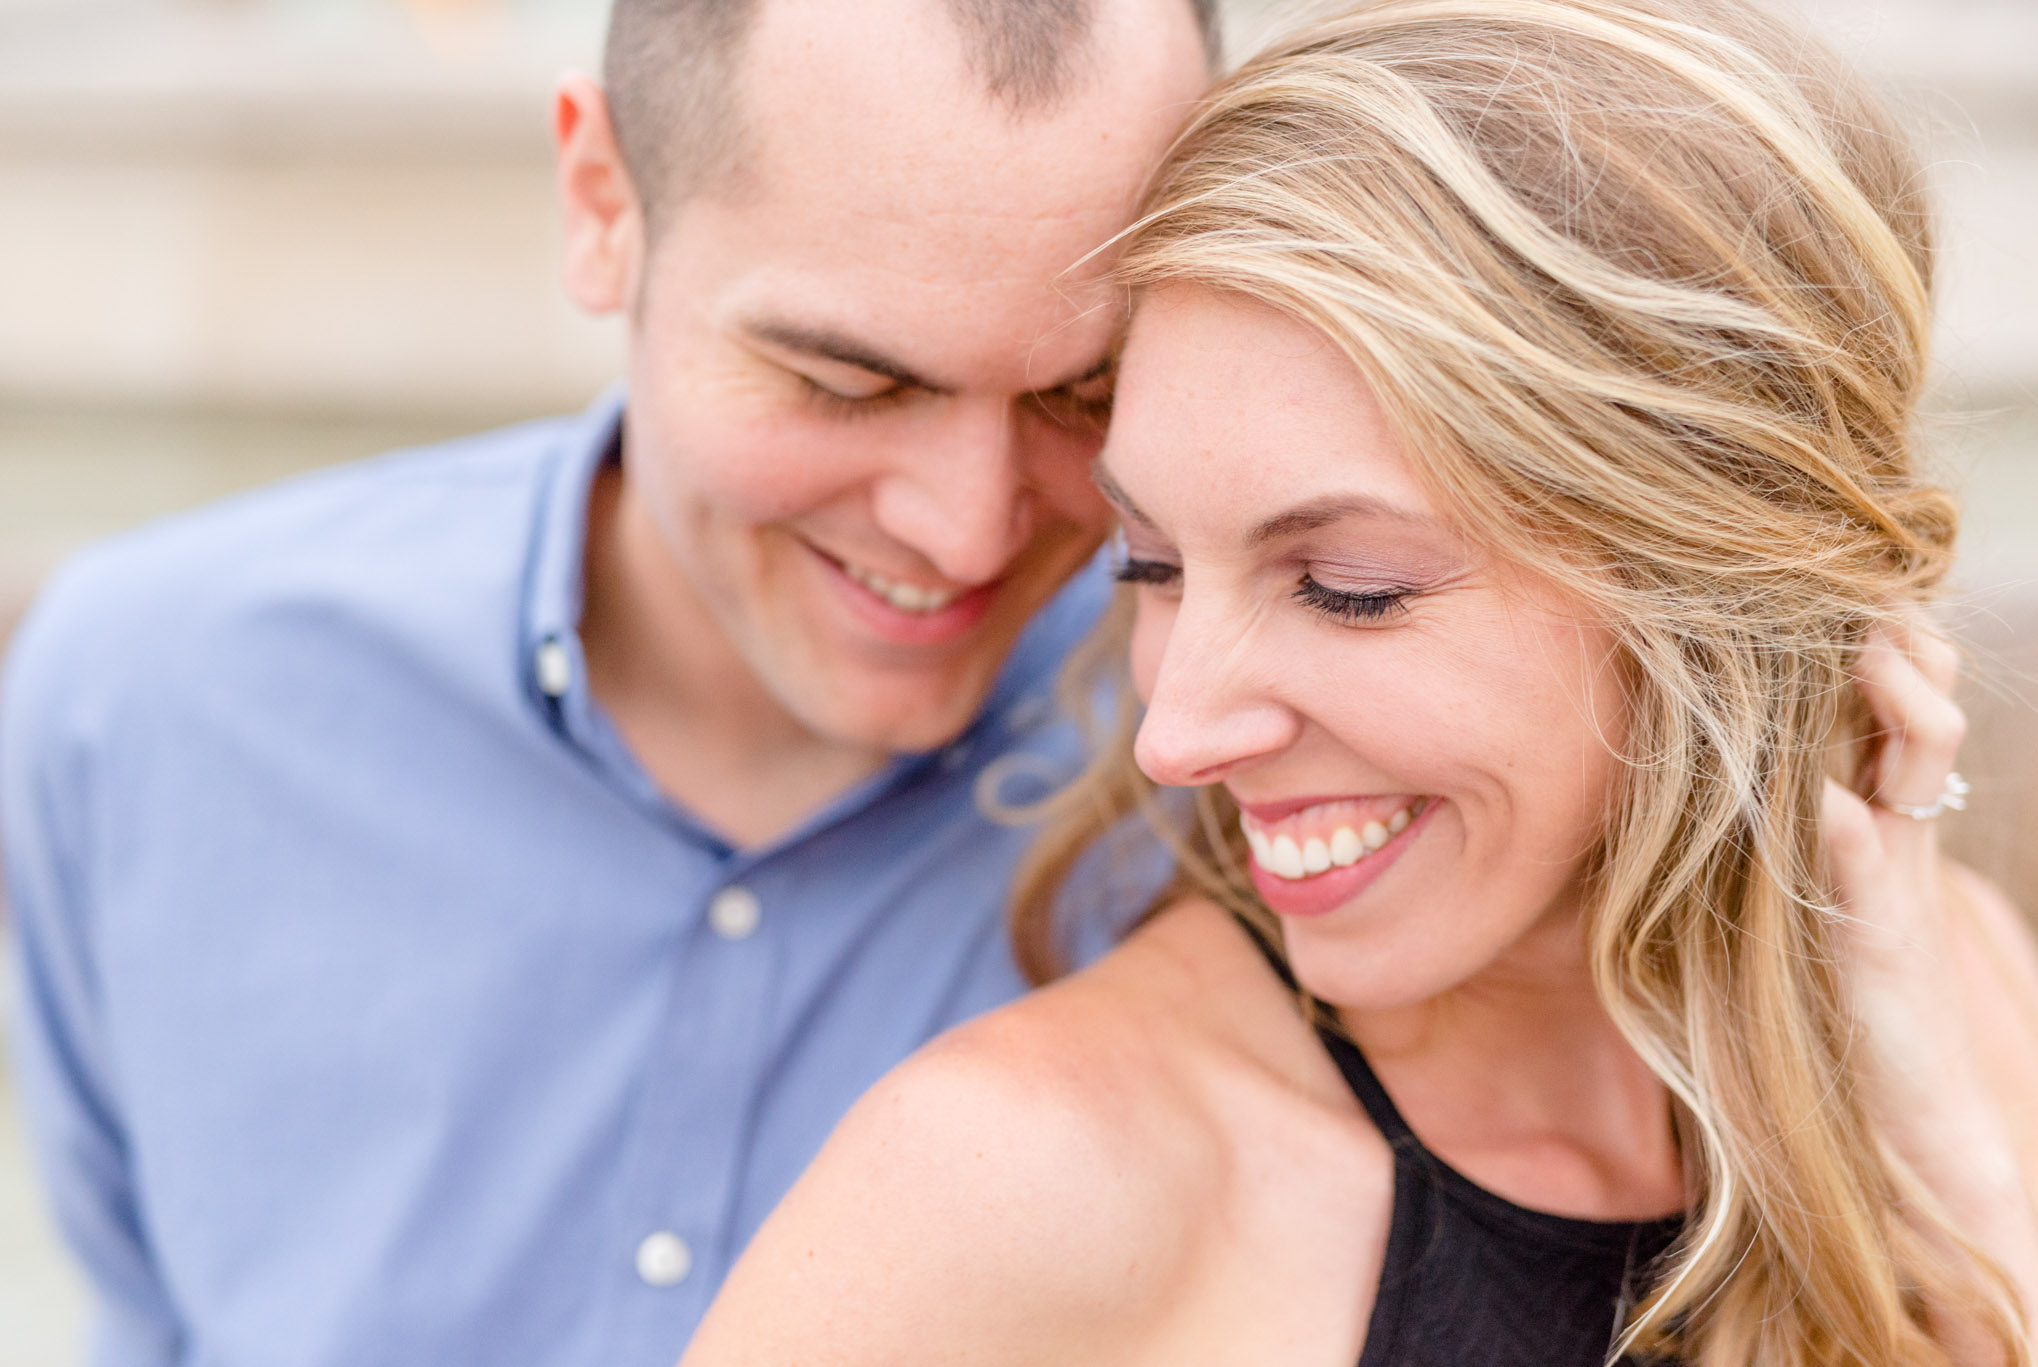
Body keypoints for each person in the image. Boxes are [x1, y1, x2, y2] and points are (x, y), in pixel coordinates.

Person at [677, 1, 2038, 1363]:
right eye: (1147, 563)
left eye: (1349, 588)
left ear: (1708, 588)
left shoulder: (1953, 987)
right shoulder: (1022, 1184)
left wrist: (1963, 1178)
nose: (1181, 734)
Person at [0, 2, 1214, 1363]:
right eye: (850, 385)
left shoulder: (1252, 786)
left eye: (1082, 393)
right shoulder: (143, 702)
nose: (968, 528)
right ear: (600, 206)